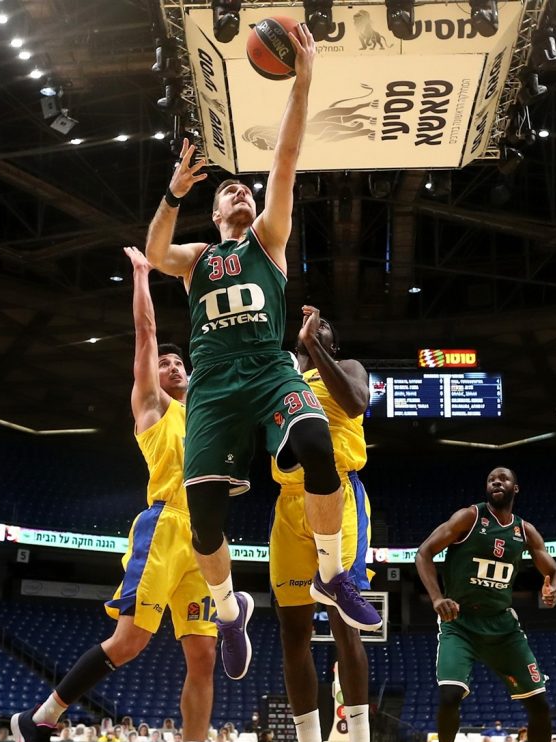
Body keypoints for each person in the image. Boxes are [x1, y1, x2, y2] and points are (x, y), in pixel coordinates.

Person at [143, 23, 380, 680]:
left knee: (316, 444)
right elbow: (157, 251)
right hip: (214, 385)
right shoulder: (199, 259)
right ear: (217, 209)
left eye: (243, 188)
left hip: (272, 371)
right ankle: (227, 607)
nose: (242, 191)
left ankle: (333, 575)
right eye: (230, 191)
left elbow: (285, 156)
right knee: (207, 524)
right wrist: (173, 191)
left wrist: (302, 82)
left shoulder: (268, 239)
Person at [10, 246, 217, 742]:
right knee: (129, 643)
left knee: (204, 654)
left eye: (179, 362)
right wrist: (143, 277)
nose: (172, 366)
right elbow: (146, 337)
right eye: (166, 363)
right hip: (165, 526)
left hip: (207, 536)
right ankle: (40, 719)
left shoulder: (209, 415)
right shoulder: (152, 407)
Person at [270, 309, 373, 742]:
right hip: (289, 503)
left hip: (340, 496)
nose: (315, 324)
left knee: (344, 625)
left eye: (325, 324)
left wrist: (313, 348)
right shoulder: (280, 376)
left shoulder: (348, 368)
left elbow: (353, 403)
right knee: (293, 633)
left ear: (332, 341)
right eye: (310, 325)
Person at [415, 467, 556, 742]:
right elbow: (423, 553)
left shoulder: (526, 531)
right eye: (491, 479)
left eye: (504, 478)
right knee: (449, 695)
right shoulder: (469, 517)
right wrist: (437, 598)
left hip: (502, 627)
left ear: (516, 488)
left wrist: (555, 590)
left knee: (539, 705)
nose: (496, 481)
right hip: (459, 622)